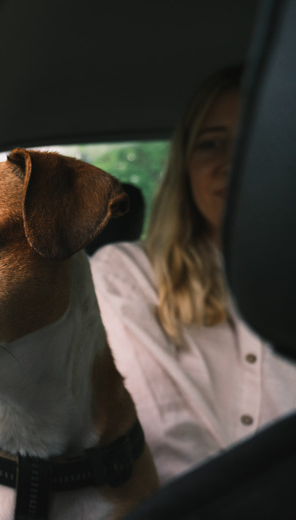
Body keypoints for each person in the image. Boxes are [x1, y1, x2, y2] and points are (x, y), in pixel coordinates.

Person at [90, 65, 296, 484]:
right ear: (185, 167)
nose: (231, 163)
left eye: (255, 140)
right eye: (211, 144)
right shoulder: (128, 273)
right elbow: (165, 438)